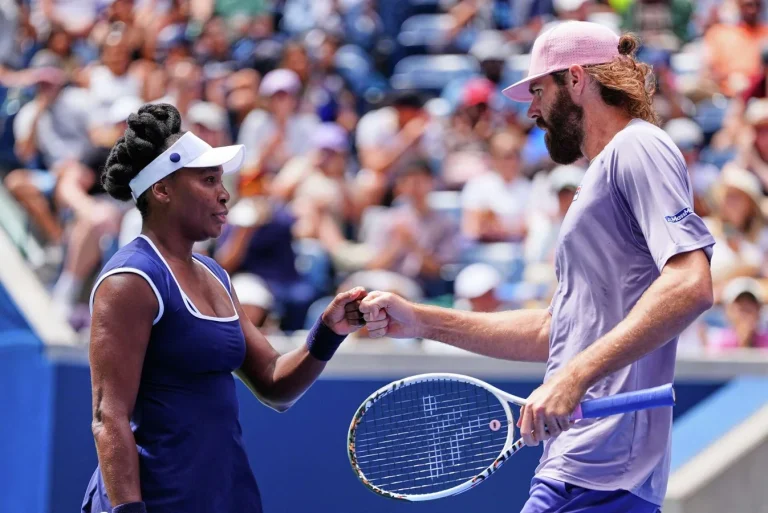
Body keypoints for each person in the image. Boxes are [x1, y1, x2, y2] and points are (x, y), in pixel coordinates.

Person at [359, 21, 715, 513]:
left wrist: (573, 379)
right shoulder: (606, 171)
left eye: (538, 91)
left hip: (603, 470)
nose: (530, 109)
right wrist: (423, 320)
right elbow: (555, 331)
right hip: (584, 466)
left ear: (576, 79)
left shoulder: (637, 148)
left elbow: (690, 284)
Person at [81, 103, 367, 513]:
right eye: (208, 180)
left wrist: (329, 330)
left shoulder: (214, 273)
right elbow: (109, 417)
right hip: (154, 503)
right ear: (162, 190)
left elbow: (274, 383)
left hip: (226, 497)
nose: (224, 192)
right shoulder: (130, 281)